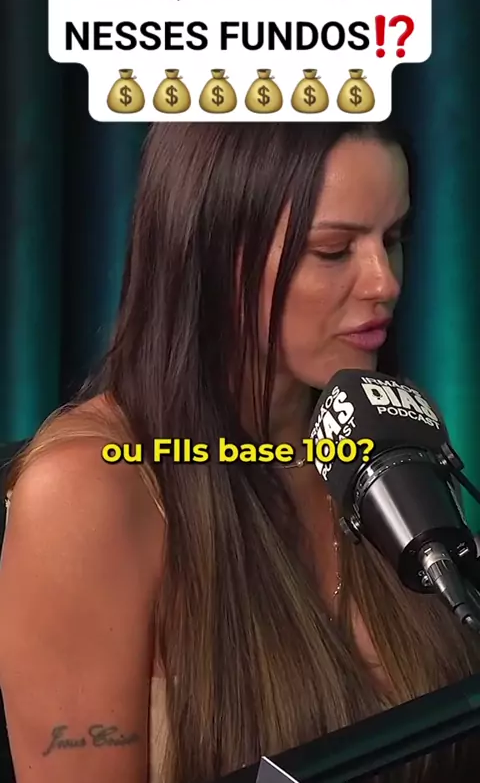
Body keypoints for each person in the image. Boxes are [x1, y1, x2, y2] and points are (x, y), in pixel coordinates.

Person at [0, 122, 479, 783]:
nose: (384, 282)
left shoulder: (391, 434)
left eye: (393, 239)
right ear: (211, 251)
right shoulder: (89, 489)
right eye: (333, 250)